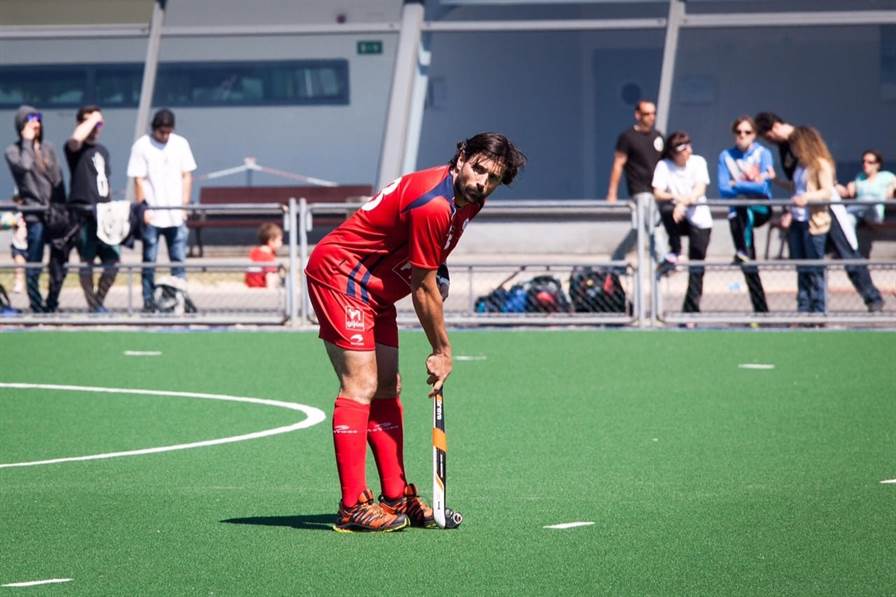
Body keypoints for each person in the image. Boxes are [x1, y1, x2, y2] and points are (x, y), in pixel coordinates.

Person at [305, 132, 526, 532]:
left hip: (378, 286)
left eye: (493, 178)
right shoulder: (434, 203)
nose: (482, 183)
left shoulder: (468, 200)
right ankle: (352, 506)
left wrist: (438, 270)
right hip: (341, 275)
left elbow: (429, 259)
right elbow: (423, 289)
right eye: (478, 169)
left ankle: (395, 496)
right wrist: (442, 350)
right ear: (461, 157)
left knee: (388, 386)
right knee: (361, 384)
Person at [757, 112, 884, 312]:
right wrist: (781, 189)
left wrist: (821, 190)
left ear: (775, 128)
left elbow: (823, 184)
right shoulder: (789, 152)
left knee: (847, 253)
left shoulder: (803, 141)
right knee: (807, 263)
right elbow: (798, 185)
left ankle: (871, 297)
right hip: (805, 214)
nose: (769, 141)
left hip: (825, 209)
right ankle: (808, 307)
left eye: (767, 136)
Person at [126, 108, 197, 312]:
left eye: (168, 132)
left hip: (175, 214)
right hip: (153, 214)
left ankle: (180, 298)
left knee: (179, 260)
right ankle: (148, 300)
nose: (165, 136)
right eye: (161, 132)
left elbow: (187, 175)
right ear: (154, 129)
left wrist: (184, 205)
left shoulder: (180, 144)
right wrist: (143, 208)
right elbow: (138, 179)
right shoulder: (142, 146)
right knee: (149, 260)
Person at [52, 105, 117, 313]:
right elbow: (75, 139)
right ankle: (93, 306)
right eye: (89, 122)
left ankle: (98, 301)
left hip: (104, 215)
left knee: (113, 261)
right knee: (86, 262)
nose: (95, 127)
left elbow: (106, 183)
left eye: (99, 123)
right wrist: (92, 119)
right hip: (83, 215)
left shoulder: (103, 151)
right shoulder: (75, 149)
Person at [4, 105, 66, 312]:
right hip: (34, 213)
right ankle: (36, 305)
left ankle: (52, 302)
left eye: (37, 120)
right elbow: (24, 167)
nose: (35, 124)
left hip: (54, 212)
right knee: (34, 261)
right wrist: (27, 142)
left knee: (59, 260)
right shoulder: (13, 151)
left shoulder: (48, 148)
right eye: (30, 121)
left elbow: (58, 178)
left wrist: (63, 207)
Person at [718, 116, 775, 313]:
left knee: (741, 202)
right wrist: (748, 184)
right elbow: (723, 189)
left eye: (747, 132)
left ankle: (743, 249)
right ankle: (761, 312)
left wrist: (738, 184)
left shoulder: (763, 153)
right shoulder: (726, 156)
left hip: (760, 208)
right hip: (739, 215)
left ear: (754, 135)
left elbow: (764, 187)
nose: (742, 136)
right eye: (739, 132)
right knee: (748, 265)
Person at [651, 131, 713, 314]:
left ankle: (690, 311)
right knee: (666, 209)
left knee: (696, 266)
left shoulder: (698, 162)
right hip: (678, 218)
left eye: (689, 146)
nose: (689, 151)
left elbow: (700, 189)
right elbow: (658, 192)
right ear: (674, 152)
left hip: (700, 220)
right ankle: (675, 250)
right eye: (684, 148)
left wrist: (683, 204)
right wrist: (677, 199)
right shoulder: (664, 165)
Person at [606, 100, 665, 262]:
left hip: (658, 191)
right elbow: (618, 164)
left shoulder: (658, 136)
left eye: (653, 113)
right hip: (640, 190)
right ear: (638, 115)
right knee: (653, 224)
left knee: (640, 228)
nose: (651, 117)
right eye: (647, 114)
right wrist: (612, 192)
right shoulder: (628, 137)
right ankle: (662, 260)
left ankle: (617, 257)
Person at [787, 126, 835, 314]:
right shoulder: (800, 165)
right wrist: (774, 181)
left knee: (815, 269)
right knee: (802, 269)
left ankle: (819, 310)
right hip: (797, 221)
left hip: (814, 223)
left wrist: (806, 198)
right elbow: (797, 188)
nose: (792, 148)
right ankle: (804, 308)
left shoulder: (820, 164)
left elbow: (827, 192)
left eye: (795, 144)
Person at [835, 149, 896, 257]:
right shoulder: (860, 177)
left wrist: (892, 187)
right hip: (858, 214)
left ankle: (842, 213)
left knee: (868, 201)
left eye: (870, 162)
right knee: (848, 219)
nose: (865, 164)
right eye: (863, 161)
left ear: (877, 165)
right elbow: (850, 191)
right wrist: (850, 186)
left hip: (874, 213)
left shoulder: (886, 176)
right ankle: (853, 253)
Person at [245, 222, 283, 288]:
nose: (281, 243)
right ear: (271, 241)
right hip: (261, 288)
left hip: (250, 287)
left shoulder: (255, 251)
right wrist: (271, 291)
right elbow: (270, 277)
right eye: (279, 240)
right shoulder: (268, 257)